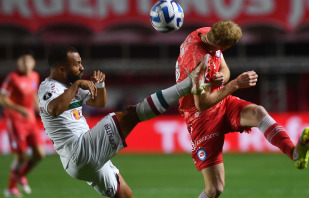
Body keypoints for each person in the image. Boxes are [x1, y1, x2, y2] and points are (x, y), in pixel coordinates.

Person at [37, 45, 207, 198]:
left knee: (125, 195)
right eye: (77, 64)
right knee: (131, 114)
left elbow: (99, 103)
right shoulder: (49, 87)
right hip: (79, 150)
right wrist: (76, 86)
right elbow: (54, 109)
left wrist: (101, 85)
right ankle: (188, 84)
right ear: (61, 68)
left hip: (80, 159)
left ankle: (188, 85)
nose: (82, 68)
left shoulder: (69, 85)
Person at [175, 20, 309, 198]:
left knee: (258, 113)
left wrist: (220, 78)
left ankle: (294, 154)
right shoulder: (198, 62)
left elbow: (224, 69)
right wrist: (235, 84)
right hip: (201, 117)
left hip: (222, 101)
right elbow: (201, 104)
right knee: (215, 189)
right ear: (225, 46)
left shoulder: (206, 34)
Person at [0, 50, 45, 197]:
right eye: (23, 61)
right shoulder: (12, 78)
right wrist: (19, 109)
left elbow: (33, 93)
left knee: (39, 154)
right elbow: (3, 99)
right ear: (18, 63)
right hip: (15, 120)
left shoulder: (34, 76)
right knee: (21, 156)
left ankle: (20, 176)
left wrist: (39, 109)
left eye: (28, 61)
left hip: (30, 120)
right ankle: (10, 188)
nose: (26, 64)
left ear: (33, 63)